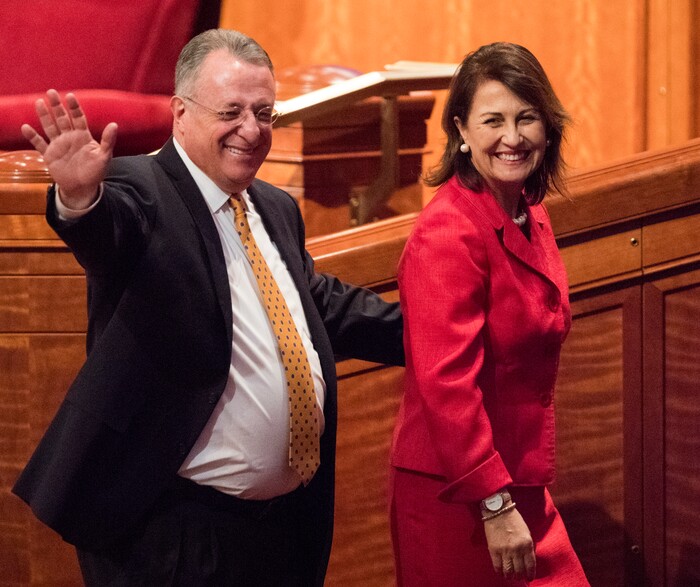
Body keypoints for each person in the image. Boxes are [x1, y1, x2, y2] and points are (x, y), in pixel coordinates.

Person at [12, 29, 403, 586]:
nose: (252, 130)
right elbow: (105, 234)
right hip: (176, 540)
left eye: (264, 113)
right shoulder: (138, 187)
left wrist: (437, 336)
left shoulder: (274, 206)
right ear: (180, 112)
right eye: (232, 111)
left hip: (283, 533)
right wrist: (79, 200)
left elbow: (319, 305)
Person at [389, 42, 589, 586]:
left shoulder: (530, 211)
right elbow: (445, 382)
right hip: (462, 494)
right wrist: (495, 504)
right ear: (461, 131)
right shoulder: (446, 233)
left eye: (527, 118)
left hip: (519, 480)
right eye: (493, 120)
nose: (512, 137)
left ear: (548, 128)